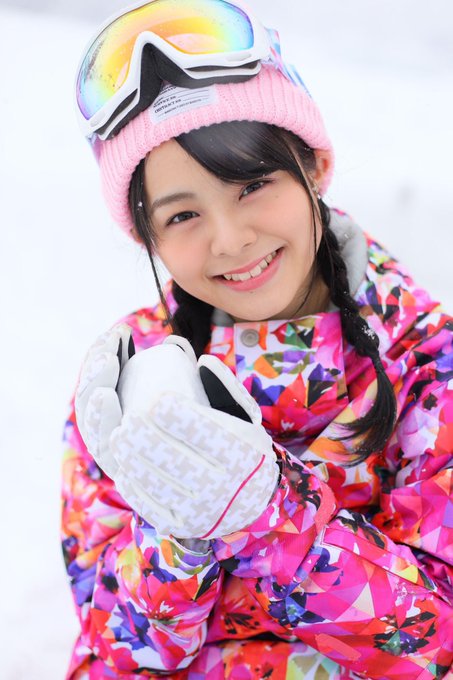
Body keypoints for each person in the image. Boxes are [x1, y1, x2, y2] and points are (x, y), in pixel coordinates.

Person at [62, 1, 453, 678]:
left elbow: (435, 640)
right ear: (148, 236)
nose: (230, 239)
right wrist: (177, 531)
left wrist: (267, 514)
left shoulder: (427, 362)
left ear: (314, 167)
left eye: (251, 185)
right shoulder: (127, 382)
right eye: (182, 215)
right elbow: (117, 649)